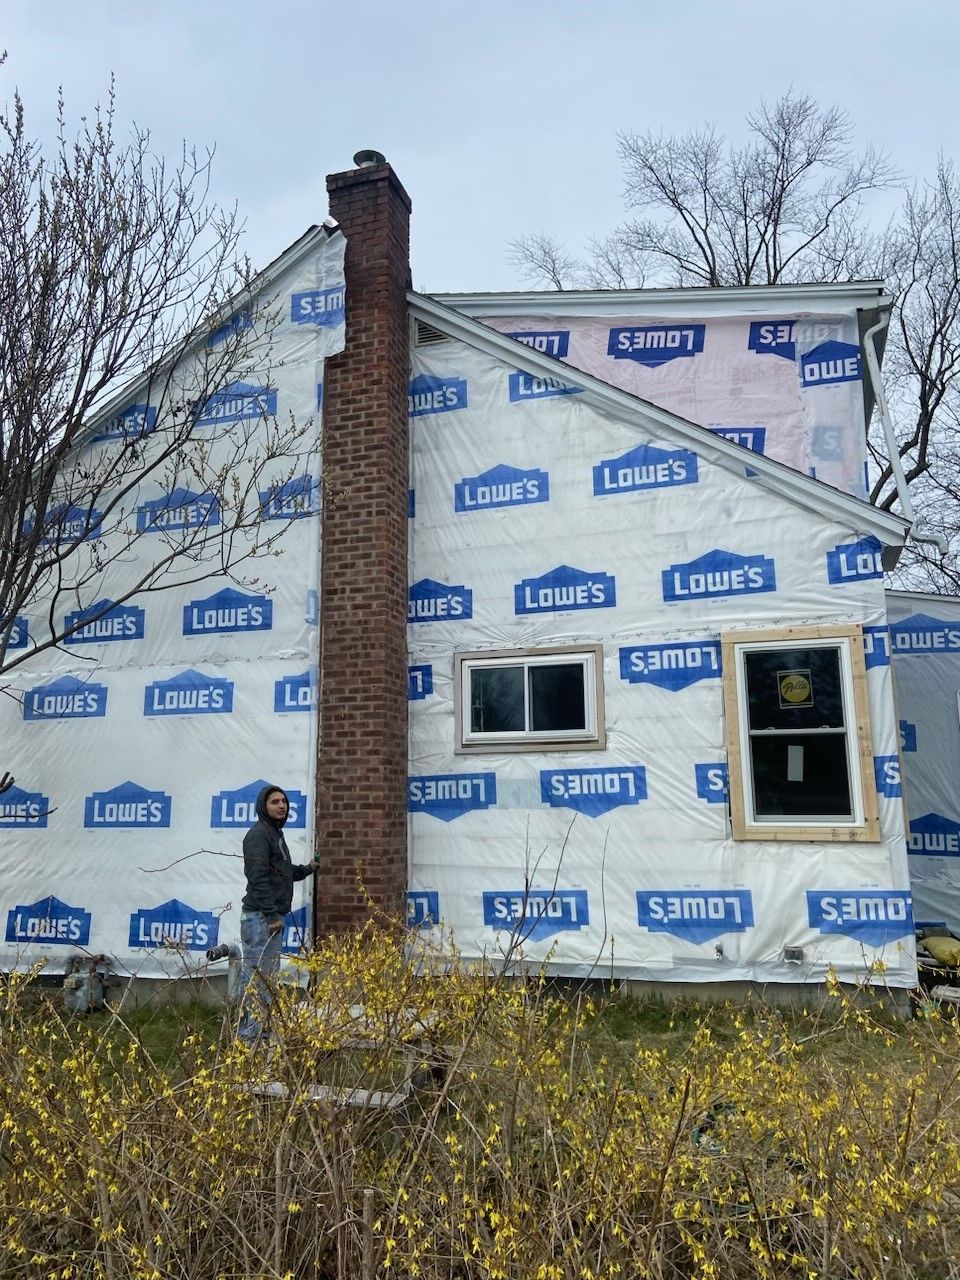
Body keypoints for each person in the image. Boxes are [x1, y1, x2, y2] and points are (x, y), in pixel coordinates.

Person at [237, 783, 317, 1046]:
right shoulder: (258, 836)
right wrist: (271, 915)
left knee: (265, 979)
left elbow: (282, 871)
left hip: (267, 918)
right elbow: (258, 877)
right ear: (263, 806)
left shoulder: (274, 834)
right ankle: (250, 1039)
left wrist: (308, 868)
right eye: (274, 802)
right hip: (261, 918)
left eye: (284, 801)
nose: (281, 805)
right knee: (257, 980)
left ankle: (260, 1033)